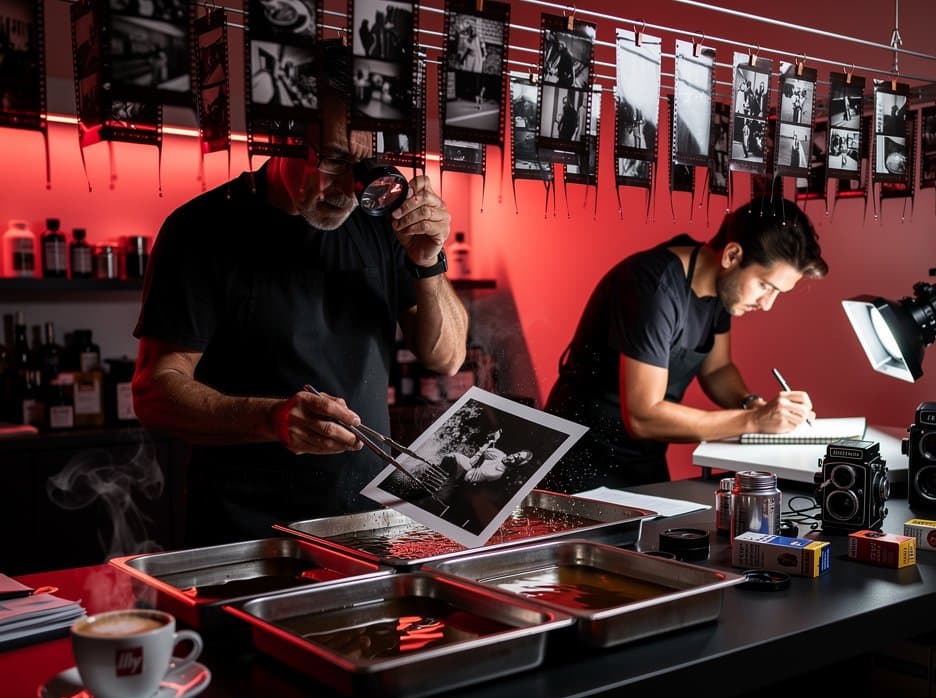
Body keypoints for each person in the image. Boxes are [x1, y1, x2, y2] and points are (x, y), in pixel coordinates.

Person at [132, 42, 469, 546]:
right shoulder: (202, 229)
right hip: (247, 535)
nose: (349, 189)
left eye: (362, 166)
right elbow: (154, 391)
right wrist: (272, 418)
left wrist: (427, 261)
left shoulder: (378, 223)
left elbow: (447, 357)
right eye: (332, 159)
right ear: (280, 134)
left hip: (366, 525)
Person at [541, 197, 828, 494]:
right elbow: (642, 416)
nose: (766, 304)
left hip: (643, 456)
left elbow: (717, 370)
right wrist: (754, 420)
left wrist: (750, 402)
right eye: (765, 286)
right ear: (732, 255)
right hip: (582, 457)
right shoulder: (653, 287)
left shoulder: (721, 288)